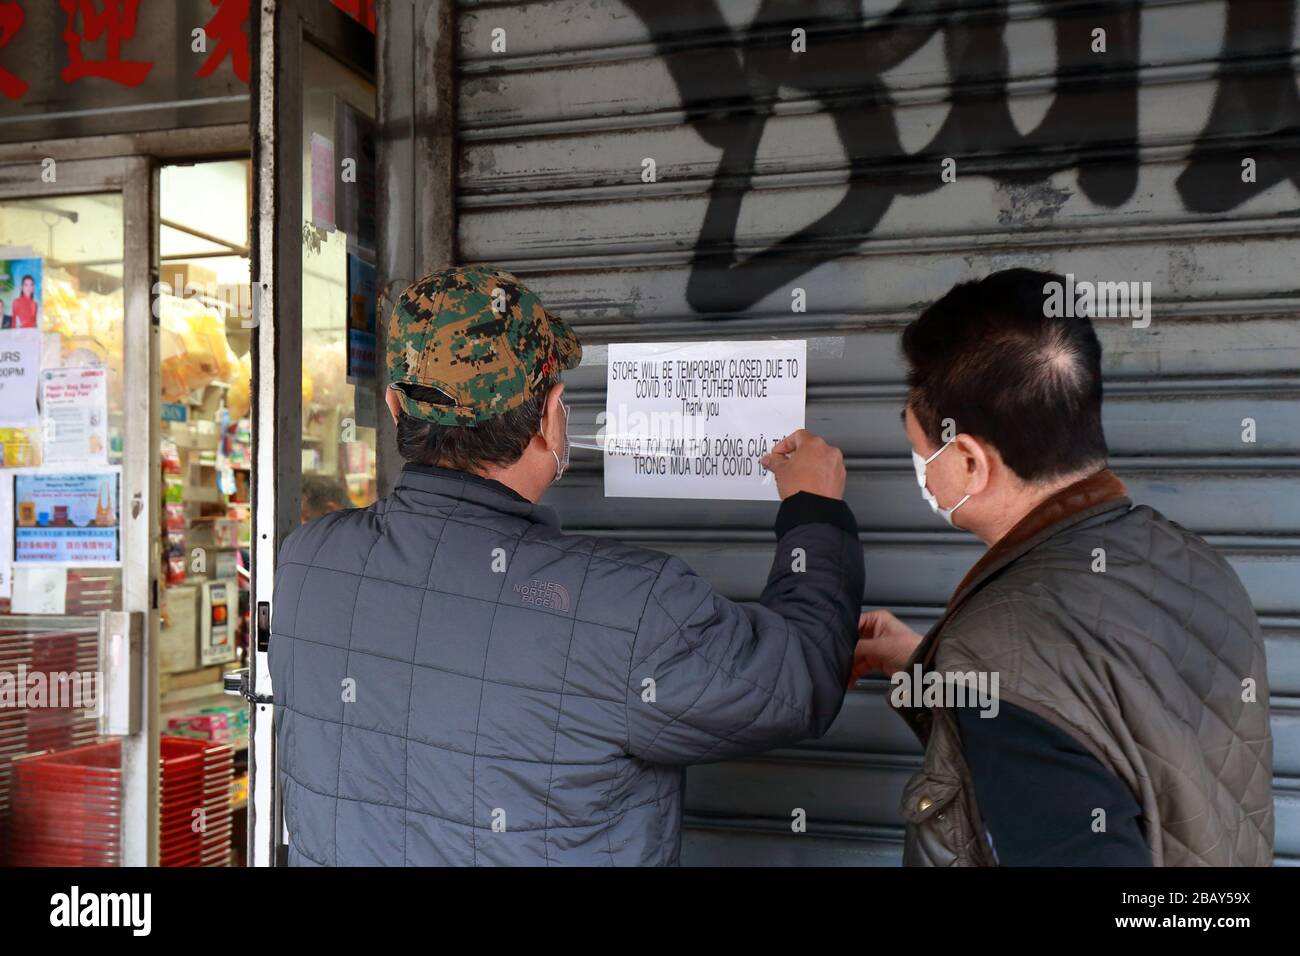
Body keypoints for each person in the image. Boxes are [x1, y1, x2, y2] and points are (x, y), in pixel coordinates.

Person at [269, 266, 865, 866]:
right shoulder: (631, 608)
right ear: (551, 414)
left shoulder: (305, 563)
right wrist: (814, 510)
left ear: (396, 408)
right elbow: (798, 681)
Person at [852, 268, 1273, 866]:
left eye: (921, 450)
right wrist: (929, 667)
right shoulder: (1192, 562)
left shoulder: (1003, 640)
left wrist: (982, 667)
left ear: (970, 463)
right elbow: (1110, 716)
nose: (919, 467)